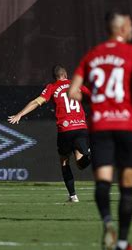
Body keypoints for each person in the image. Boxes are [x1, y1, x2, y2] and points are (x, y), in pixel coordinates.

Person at [67, 11, 132, 250]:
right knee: (127, 188)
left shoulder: (92, 55)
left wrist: (95, 101)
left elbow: (73, 92)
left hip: (100, 126)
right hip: (126, 125)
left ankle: (106, 221)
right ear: (123, 28)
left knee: (103, 182)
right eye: (131, 25)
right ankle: (122, 242)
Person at [8, 65, 91, 202]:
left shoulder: (52, 87)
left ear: (55, 77)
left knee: (65, 162)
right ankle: (91, 152)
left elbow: (37, 102)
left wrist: (20, 114)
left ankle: (73, 196)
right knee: (81, 163)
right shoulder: (77, 84)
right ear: (66, 74)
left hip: (65, 130)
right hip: (81, 127)